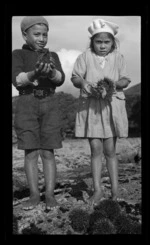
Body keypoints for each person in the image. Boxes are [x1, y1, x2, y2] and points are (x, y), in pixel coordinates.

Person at [71, 18, 131, 206]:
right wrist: (83, 83)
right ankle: (97, 190)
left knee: (110, 150)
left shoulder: (119, 58)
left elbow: (125, 79)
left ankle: (115, 191)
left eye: (107, 42)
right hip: (92, 109)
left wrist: (114, 84)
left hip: (112, 108)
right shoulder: (84, 57)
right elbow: (75, 78)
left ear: (113, 42)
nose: (103, 46)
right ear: (92, 42)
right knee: (96, 149)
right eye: (99, 42)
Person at [12, 16, 65, 210]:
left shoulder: (53, 56)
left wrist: (50, 73)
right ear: (25, 35)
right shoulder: (17, 54)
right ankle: (34, 194)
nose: (42, 38)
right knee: (31, 151)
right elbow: (17, 80)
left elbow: (60, 79)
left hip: (50, 103)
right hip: (26, 103)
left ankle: (49, 194)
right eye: (37, 34)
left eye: (45, 34)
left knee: (48, 151)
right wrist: (34, 74)